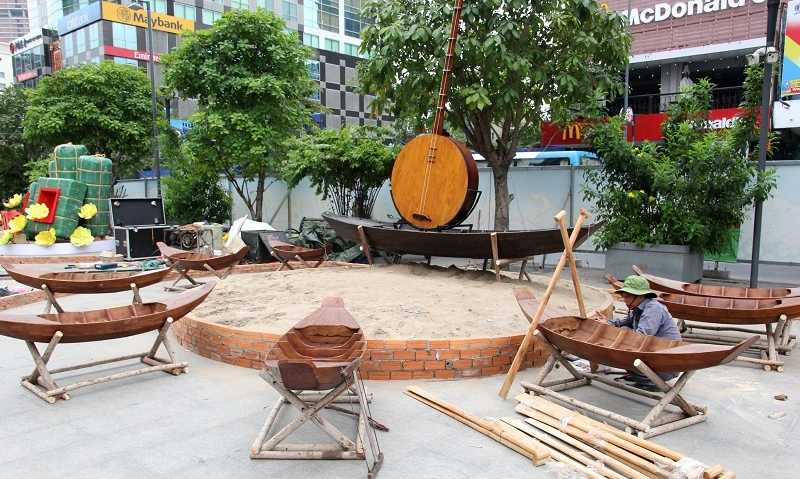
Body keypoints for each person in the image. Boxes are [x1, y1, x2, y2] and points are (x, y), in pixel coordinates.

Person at [608, 275, 682, 391]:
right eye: (624, 296)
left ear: (641, 296)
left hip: (667, 364)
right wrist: (605, 323)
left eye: (628, 296)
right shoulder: (637, 308)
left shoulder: (653, 308)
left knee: (625, 344)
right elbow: (622, 322)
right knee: (624, 328)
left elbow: (640, 337)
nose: (624, 300)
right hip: (656, 357)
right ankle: (644, 378)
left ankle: (653, 383)